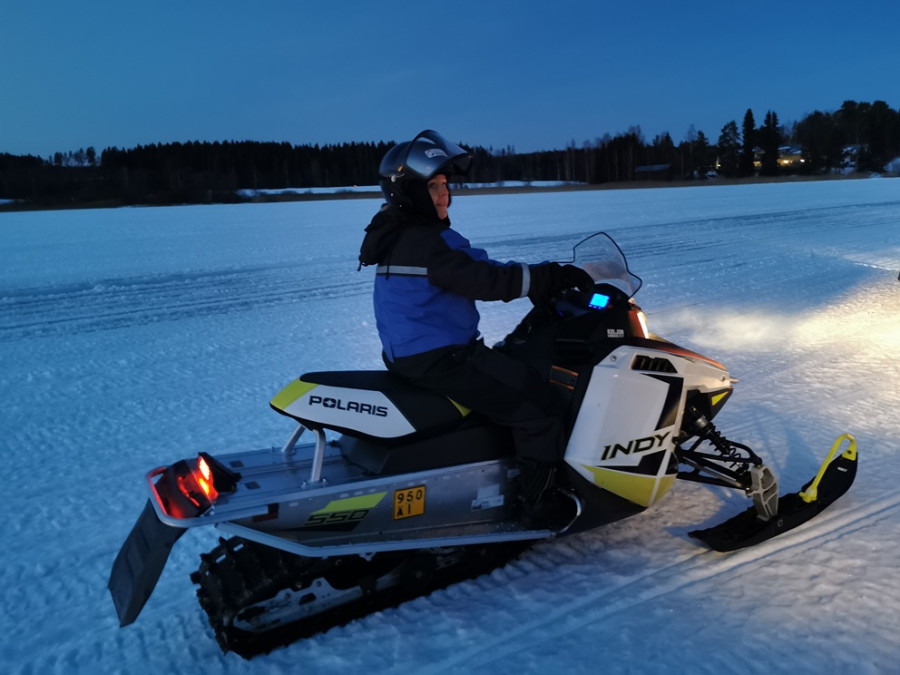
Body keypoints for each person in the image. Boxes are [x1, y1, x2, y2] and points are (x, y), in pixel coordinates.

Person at [358, 130, 593, 527]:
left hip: (409, 354)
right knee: (539, 407)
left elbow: (472, 273)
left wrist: (538, 279)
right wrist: (548, 277)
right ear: (409, 192)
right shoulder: (428, 241)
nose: (443, 195)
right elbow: (486, 281)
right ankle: (541, 504)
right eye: (432, 186)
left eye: (446, 185)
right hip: (442, 357)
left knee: (507, 371)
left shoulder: (394, 232)